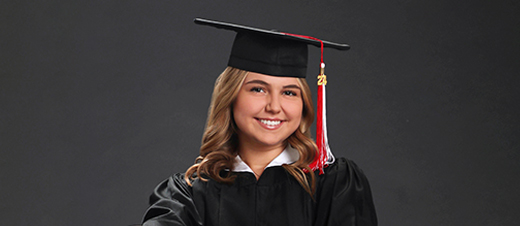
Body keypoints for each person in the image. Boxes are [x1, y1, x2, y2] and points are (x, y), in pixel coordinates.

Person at [141, 18, 377, 226]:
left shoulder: (334, 185)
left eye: (289, 92)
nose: (274, 107)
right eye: (258, 89)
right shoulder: (188, 194)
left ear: (304, 103)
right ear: (230, 96)